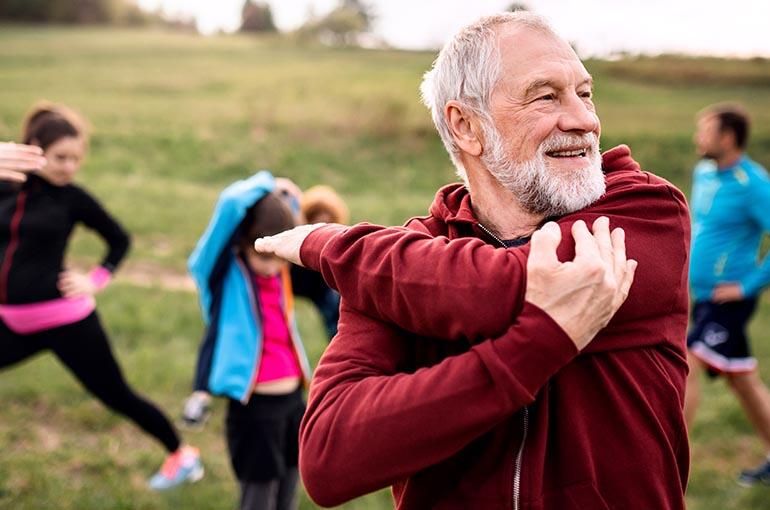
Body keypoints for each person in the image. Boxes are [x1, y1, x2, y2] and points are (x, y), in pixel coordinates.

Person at [254, 12, 691, 509]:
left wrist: (332, 245)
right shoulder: (402, 265)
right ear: (466, 127)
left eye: (585, 93)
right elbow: (329, 459)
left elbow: (498, 289)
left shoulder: (645, 211)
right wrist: (538, 343)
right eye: (546, 96)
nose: (585, 120)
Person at [0, 102, 202, 491]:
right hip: (10, 321)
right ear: (33, 148)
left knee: (117, 395)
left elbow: (119, 239)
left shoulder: (73, 198)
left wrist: (96, 278)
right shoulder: (5, 187)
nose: (69, 167)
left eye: (76, 159)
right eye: (61, 157)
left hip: (65, 321)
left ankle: (182, 455)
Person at [183, 171, 312, 510]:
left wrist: (289, 200)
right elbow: (230, 203)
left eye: (277, 257)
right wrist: (271, 182)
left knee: (289, 490)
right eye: (264, 256)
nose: (272, 267)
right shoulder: (222, 276)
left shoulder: (280, 270)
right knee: (258, 495)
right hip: (255, 409)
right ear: (242, 242)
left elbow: (290, 221)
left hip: (293, 400)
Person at [684, 103, 770, 486]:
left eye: (706, 131)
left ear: (728, 138)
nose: (698, 138)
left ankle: (669, 462)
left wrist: (748, 285)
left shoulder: (753, 185)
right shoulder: (704, 174)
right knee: (743, 380)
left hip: (728, 300)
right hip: (703, 296)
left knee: (686, 363)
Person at [290, 185, 348, 340]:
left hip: (319, 281)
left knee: (335, 311)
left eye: (327, 224)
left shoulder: (334, 251)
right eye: (315, 223)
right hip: (295, 276)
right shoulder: (292, 244)